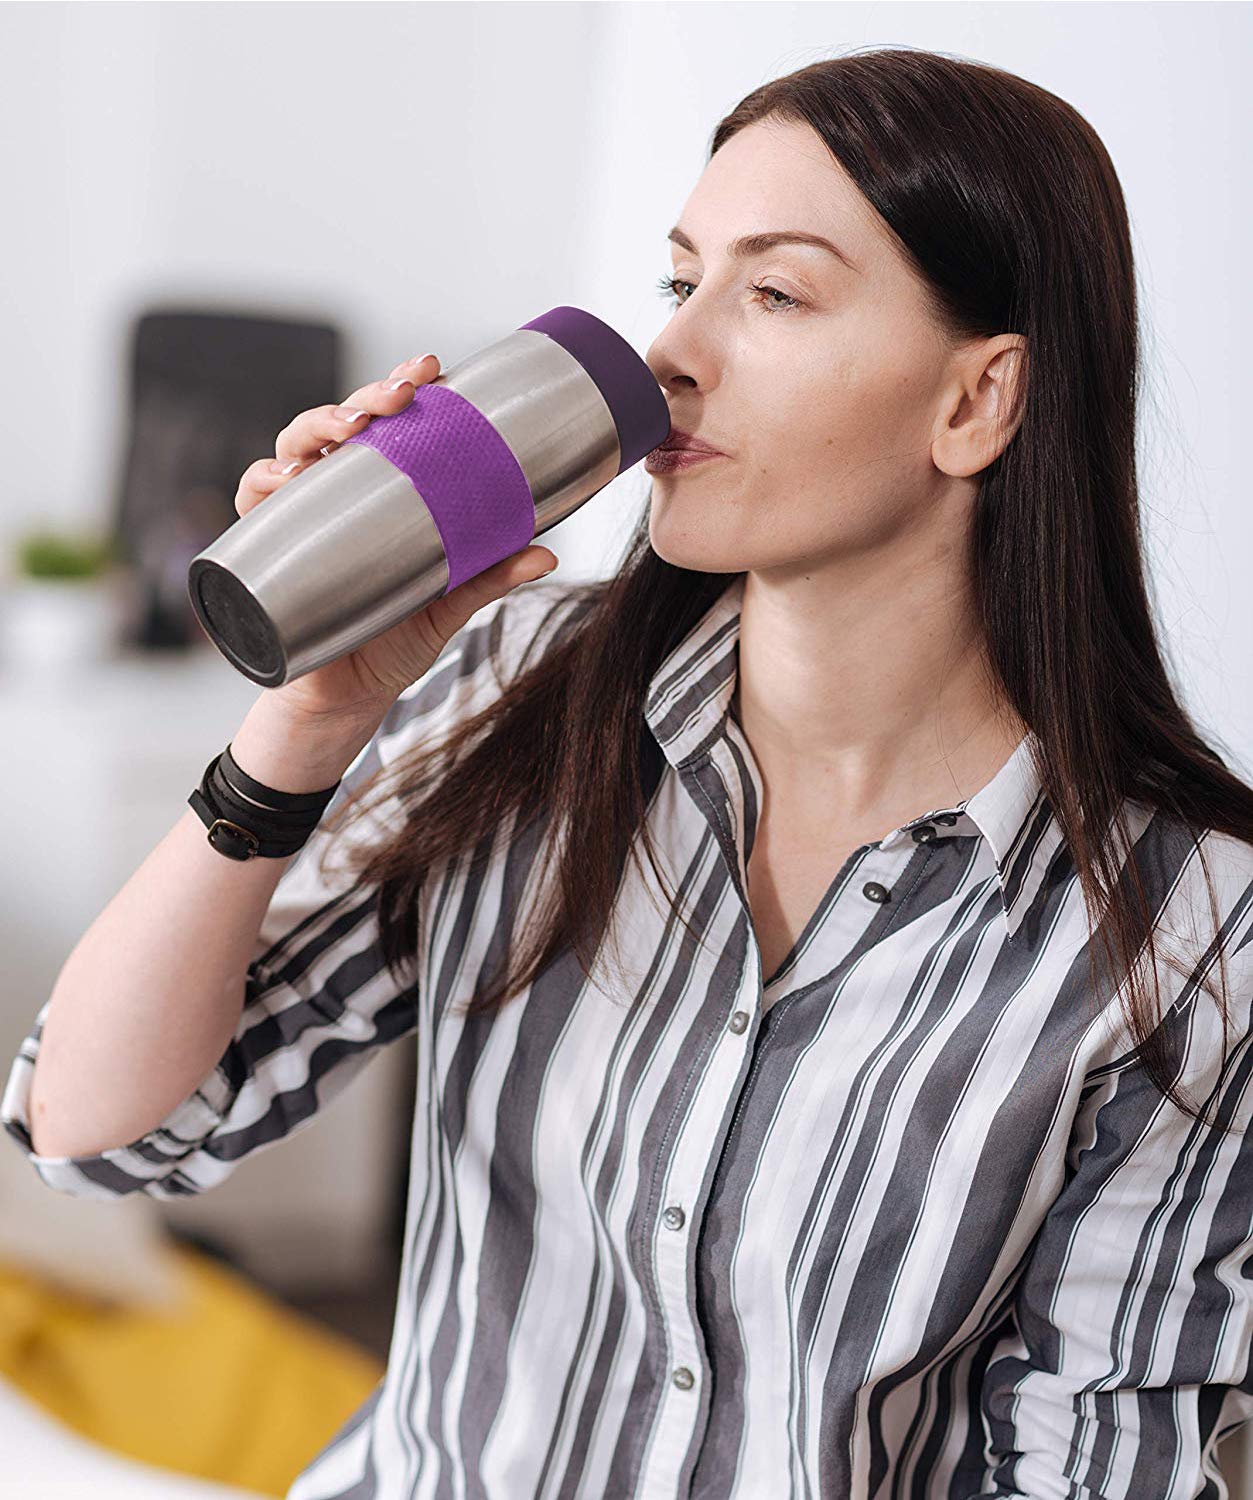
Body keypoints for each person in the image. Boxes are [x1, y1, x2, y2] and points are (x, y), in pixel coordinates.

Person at [5, 45, 1253, 1500]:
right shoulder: (515, 693)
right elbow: (99, 1137)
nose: (670, 356)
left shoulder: (1193, 927)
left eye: (773, 293)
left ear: (977, 401)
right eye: (681, 282)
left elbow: (1091, 1458)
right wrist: (302, 727)